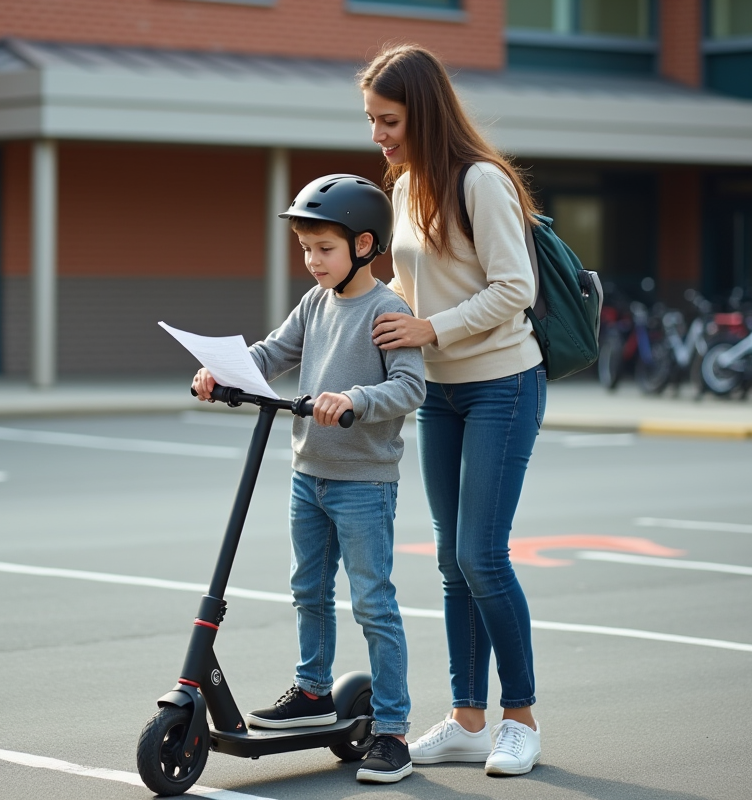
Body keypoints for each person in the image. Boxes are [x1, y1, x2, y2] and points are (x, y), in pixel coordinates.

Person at [192, 174, 426, 784]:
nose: (312, 260)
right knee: (308, 590)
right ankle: (313, 690)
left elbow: (410, 387)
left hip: (364, 482)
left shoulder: (387, 310)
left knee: (373, 602)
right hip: (309, 474)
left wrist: (353, 399)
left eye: (323, 248)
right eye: (305, 249)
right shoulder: (315, 305)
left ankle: (393, 731)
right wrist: (222, 373)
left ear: (365, 245)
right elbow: (272, 354)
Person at [360, 44, 547, 777]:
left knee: (482, 555)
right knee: (448, 559)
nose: (378, 135)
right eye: (372, 120)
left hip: (503, 382)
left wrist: (429, 327)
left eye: (389, 121)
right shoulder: (406, 188)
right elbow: (417, 293)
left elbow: (514, 288)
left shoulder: (482, 182)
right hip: (438, 391)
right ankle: (468, 719)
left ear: (424, 112)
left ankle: (520, 718)